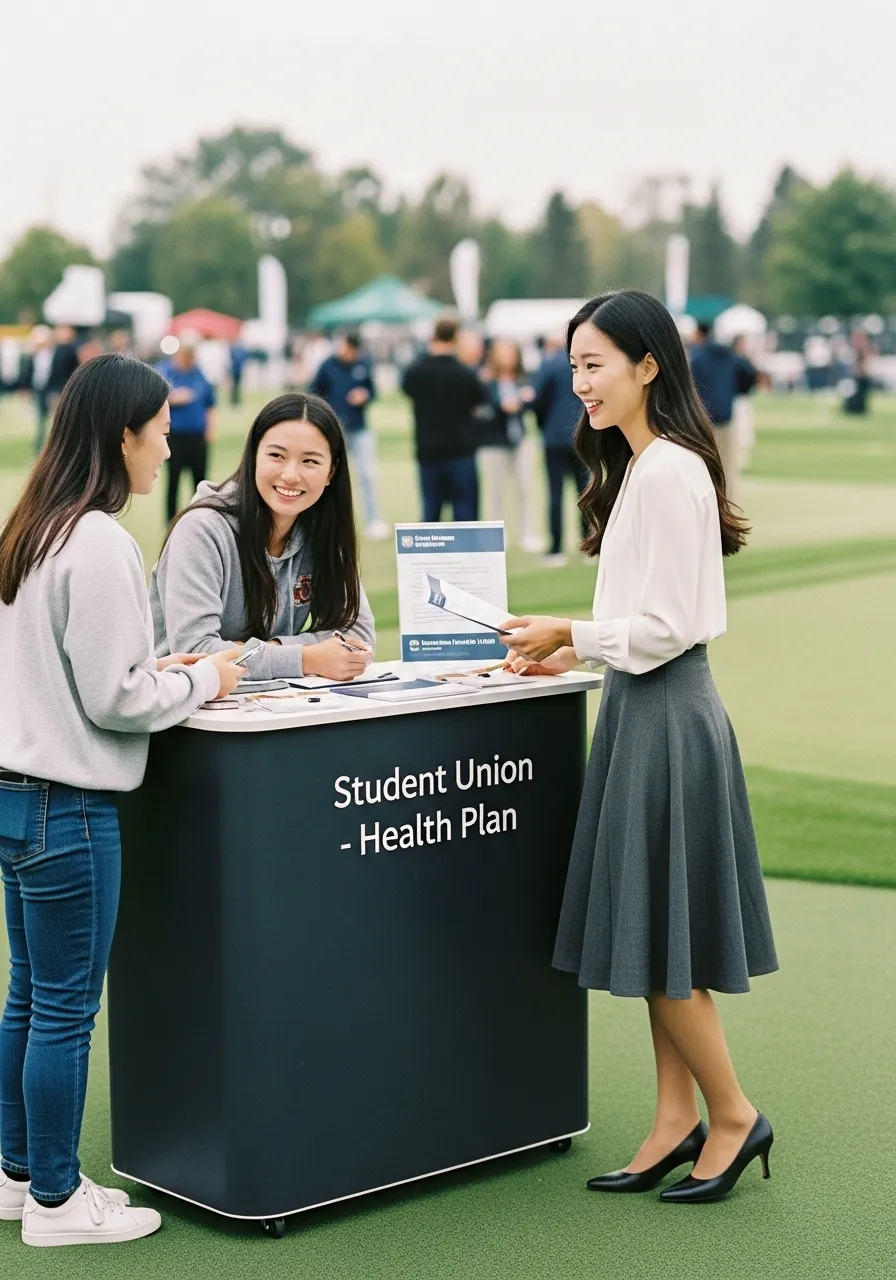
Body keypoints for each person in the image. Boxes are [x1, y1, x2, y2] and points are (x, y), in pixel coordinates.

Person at [504, 291, 778, 1205]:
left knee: (662, 938)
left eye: (596, 364)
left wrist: (565, 634)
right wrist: (568, 652)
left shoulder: (665, 472)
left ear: (647, 365)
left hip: (665, 707)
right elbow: (641, 624)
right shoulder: (652, 466)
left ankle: (732, 1115)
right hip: (645, 704)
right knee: (657, 935)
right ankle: (673, 1119)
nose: (580, 381)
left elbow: (659, 628)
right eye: (574, 364)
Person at [0, 354, 243, 1248]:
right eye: (162, 426)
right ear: (123, 435)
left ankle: (19, 1175)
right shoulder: (97, 537)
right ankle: (59, 1203)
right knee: (63, 1008)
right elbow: (114, 700)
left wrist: (161, 673)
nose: (169, 442)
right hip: (68, 805)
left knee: (30, 996)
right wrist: (204, 681)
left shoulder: (35, 525)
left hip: (17, 796)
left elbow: (81, 672)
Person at [151, 393, 375, 682]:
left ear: (331, 471)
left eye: (310, 461)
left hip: (266, 711)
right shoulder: (201, 530)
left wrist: (274, 649)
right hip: (187, 715)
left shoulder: (322, 529)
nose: (291, 475)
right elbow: (197, 652)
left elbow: (359, 637)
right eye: (276, 456)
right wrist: (307, 657)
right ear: (254, 456)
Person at [401, 316, 485, 522]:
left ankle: (430, 555)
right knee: (464, 510)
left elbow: (406, 387)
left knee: (431, 510)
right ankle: (465, 554)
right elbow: (481, 399)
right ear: (456, 338)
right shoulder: (464, 373)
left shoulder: (418, 371)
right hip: (460, 449)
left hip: (429, 449)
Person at [311, 333, 389, 539]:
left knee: (367, 474)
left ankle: (373, 521)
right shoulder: (328, 365)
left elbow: (373, 391)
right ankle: (327, 523)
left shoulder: (363, 364)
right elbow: (312, 392)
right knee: (330, 476)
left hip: (359, 427)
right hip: (334, 429)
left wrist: (365, 396)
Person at [531, 334, 589, 565]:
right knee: (585, 492)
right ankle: (588, 545)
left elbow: (537, 400)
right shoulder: (585, 366)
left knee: (555, 493)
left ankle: (556, 549)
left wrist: (543, 425)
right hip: (580, 435)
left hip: (555, 436)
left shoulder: (550, 364)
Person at [477, 338, 539, 550]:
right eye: (502, 353)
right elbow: (481, 411)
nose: (507, 358)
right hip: (494, 443)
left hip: (519, 439)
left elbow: (532, 401)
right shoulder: (486, 380)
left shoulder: (523, 379)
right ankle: (494, 537)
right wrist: (500, 406)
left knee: (525, 488)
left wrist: (521, 403)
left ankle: (527, 534)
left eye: (510, 353)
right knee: (495, 491)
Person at [159, 342, 217, 523]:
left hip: (197, 435)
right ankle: (170, 520)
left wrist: (211, 428)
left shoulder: (199, 373)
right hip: (174, 435)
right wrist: (174, 397)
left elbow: (210, 403)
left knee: (200, 480)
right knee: (173, 481)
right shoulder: (164, 371)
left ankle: (199, 518)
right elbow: (153, 398)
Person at [689, 321, 741, 507]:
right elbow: (747, 373)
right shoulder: (728, 355)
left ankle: (712, 505)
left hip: (704, 418)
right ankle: (730, 505)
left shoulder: (698, 357)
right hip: (726, 415)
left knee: (706, 465)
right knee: (727, 465)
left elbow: (691, 387)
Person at [731, 335, 759, 469]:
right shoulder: (734, 360)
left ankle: (742, 458)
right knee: (739, 429)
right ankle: (737, 459)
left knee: (745, 430)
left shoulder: (744, 360)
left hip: (744, 398)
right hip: (736, 398)